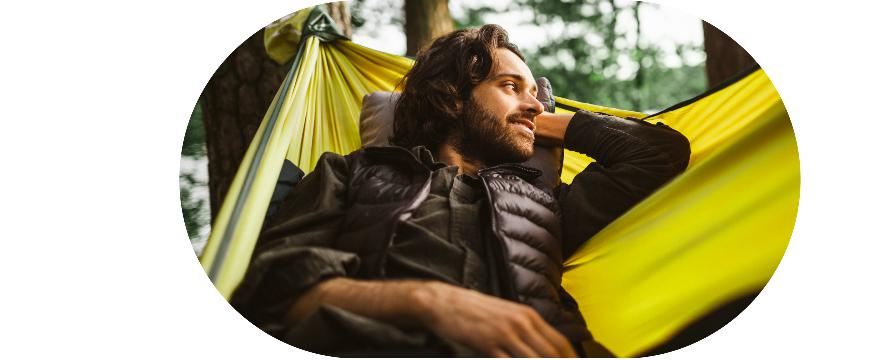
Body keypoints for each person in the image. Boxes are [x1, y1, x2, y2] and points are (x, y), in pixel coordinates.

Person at [229, 24, 691, 357]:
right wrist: (427, 303)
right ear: (452, 95)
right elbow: (274, 285)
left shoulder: (546, 202)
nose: (532, 101)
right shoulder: (353, 173)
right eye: (510, 85)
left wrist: (536, 117)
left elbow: (659, 153)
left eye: (534, 92)